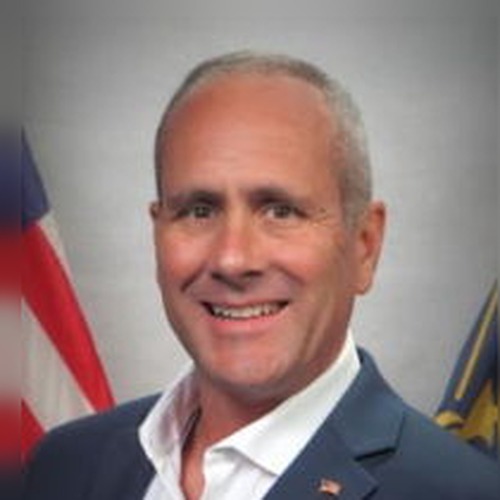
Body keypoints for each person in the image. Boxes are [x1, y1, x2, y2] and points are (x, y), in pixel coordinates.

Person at [22, 51, 499, 500]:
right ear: (157, 231)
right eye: (199, 210)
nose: (233, 259)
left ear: (364, 245)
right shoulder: (62, 466)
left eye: (281, 211)